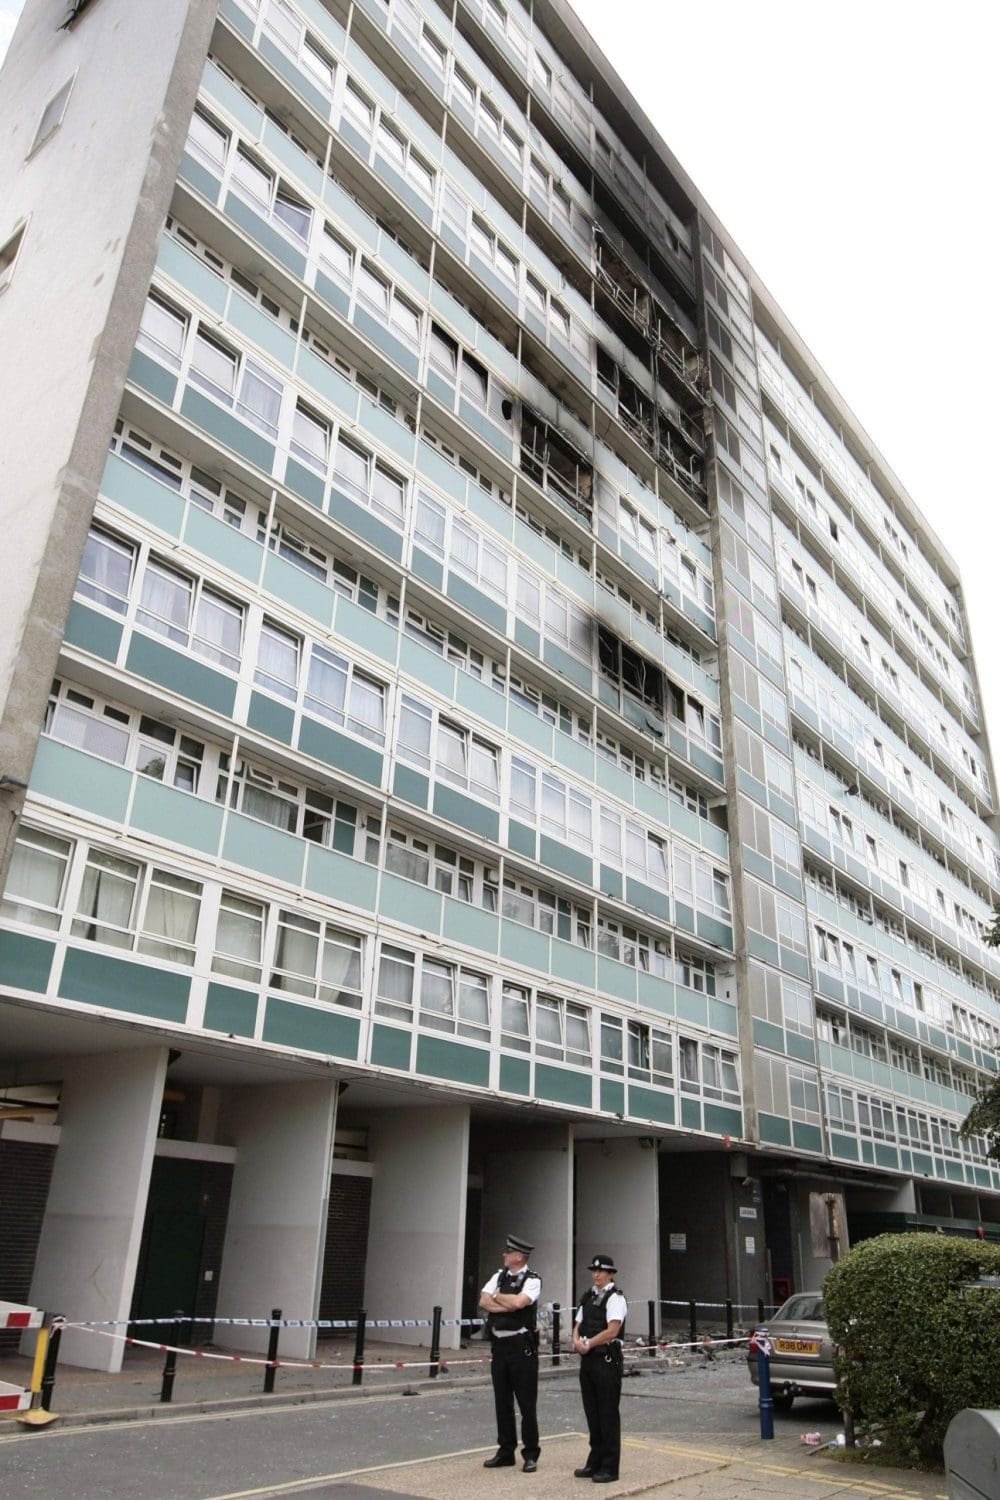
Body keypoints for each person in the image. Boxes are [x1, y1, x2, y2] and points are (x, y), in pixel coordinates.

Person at [479, 1233, 542, 1473]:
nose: (504, 1255)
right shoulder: (499, 1276)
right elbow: (484, 1301)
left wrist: (498, 1297)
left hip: (521, 1346)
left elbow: (519, 1303)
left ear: (519, 1257)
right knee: (502, 1401)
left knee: (526, 1402)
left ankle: (531, 1453)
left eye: (508, 1252)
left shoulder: (532, 1280)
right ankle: (506, 1451)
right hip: (500, 1346)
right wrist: (505, 1303)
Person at [572, 1253, 627, 1483]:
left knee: (607, 1413)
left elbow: (612, 1330)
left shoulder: (615, 1298)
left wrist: (589, 1344)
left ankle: (610, 1467)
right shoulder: (588, 1296)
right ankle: (594, 1461)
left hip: (606, 1360)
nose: (596, 1275)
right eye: (594, 1271)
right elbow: (578, 1323)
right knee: (592, 1413)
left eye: (601, 1271)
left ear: (610, 1274)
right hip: (588, 1360)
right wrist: (576, 1341)